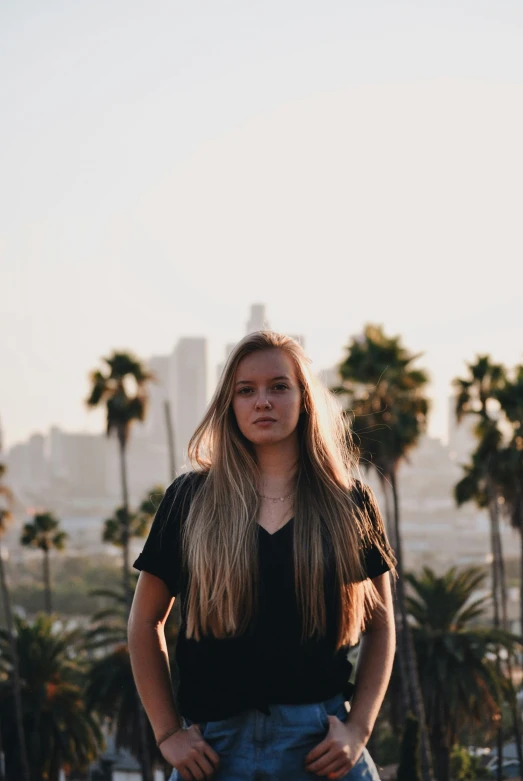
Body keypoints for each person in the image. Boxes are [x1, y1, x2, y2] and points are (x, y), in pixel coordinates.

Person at [129, 331, 397, 781]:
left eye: (279, 386)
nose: (263, 401)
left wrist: (359, 729)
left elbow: (382, 624)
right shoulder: (190, 499)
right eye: (246, 390)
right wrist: (168, 733)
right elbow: (144, 622)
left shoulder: (348, 502)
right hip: (212, 754)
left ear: (304, 399)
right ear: (229, 405)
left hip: (321, 751)